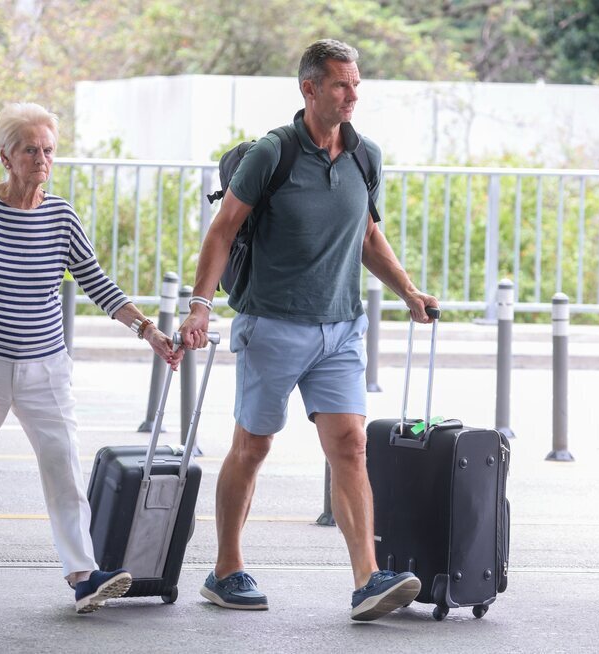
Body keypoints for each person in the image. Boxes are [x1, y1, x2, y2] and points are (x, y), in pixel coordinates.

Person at [179, 40, 438, 622]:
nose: (351, 96)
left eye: (356, 85)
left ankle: (367, 580)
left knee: (350, 445)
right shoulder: (273, 153)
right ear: (310, 88)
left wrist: (410, 292)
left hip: (341, 328)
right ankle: (225, 570)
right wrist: (200, 306)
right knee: (253, 446)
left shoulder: (364, 156)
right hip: (271, 324)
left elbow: (369, 237)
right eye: (341, 85)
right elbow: (223, 231)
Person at [0, 102, 182, 614]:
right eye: (30, 150)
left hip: (45, 363)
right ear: (6, 156)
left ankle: (83, 573)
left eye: (48, 150)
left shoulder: (61, 214)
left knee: (63, 464)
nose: (41, 159)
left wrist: (147, 329)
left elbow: (95, 281)